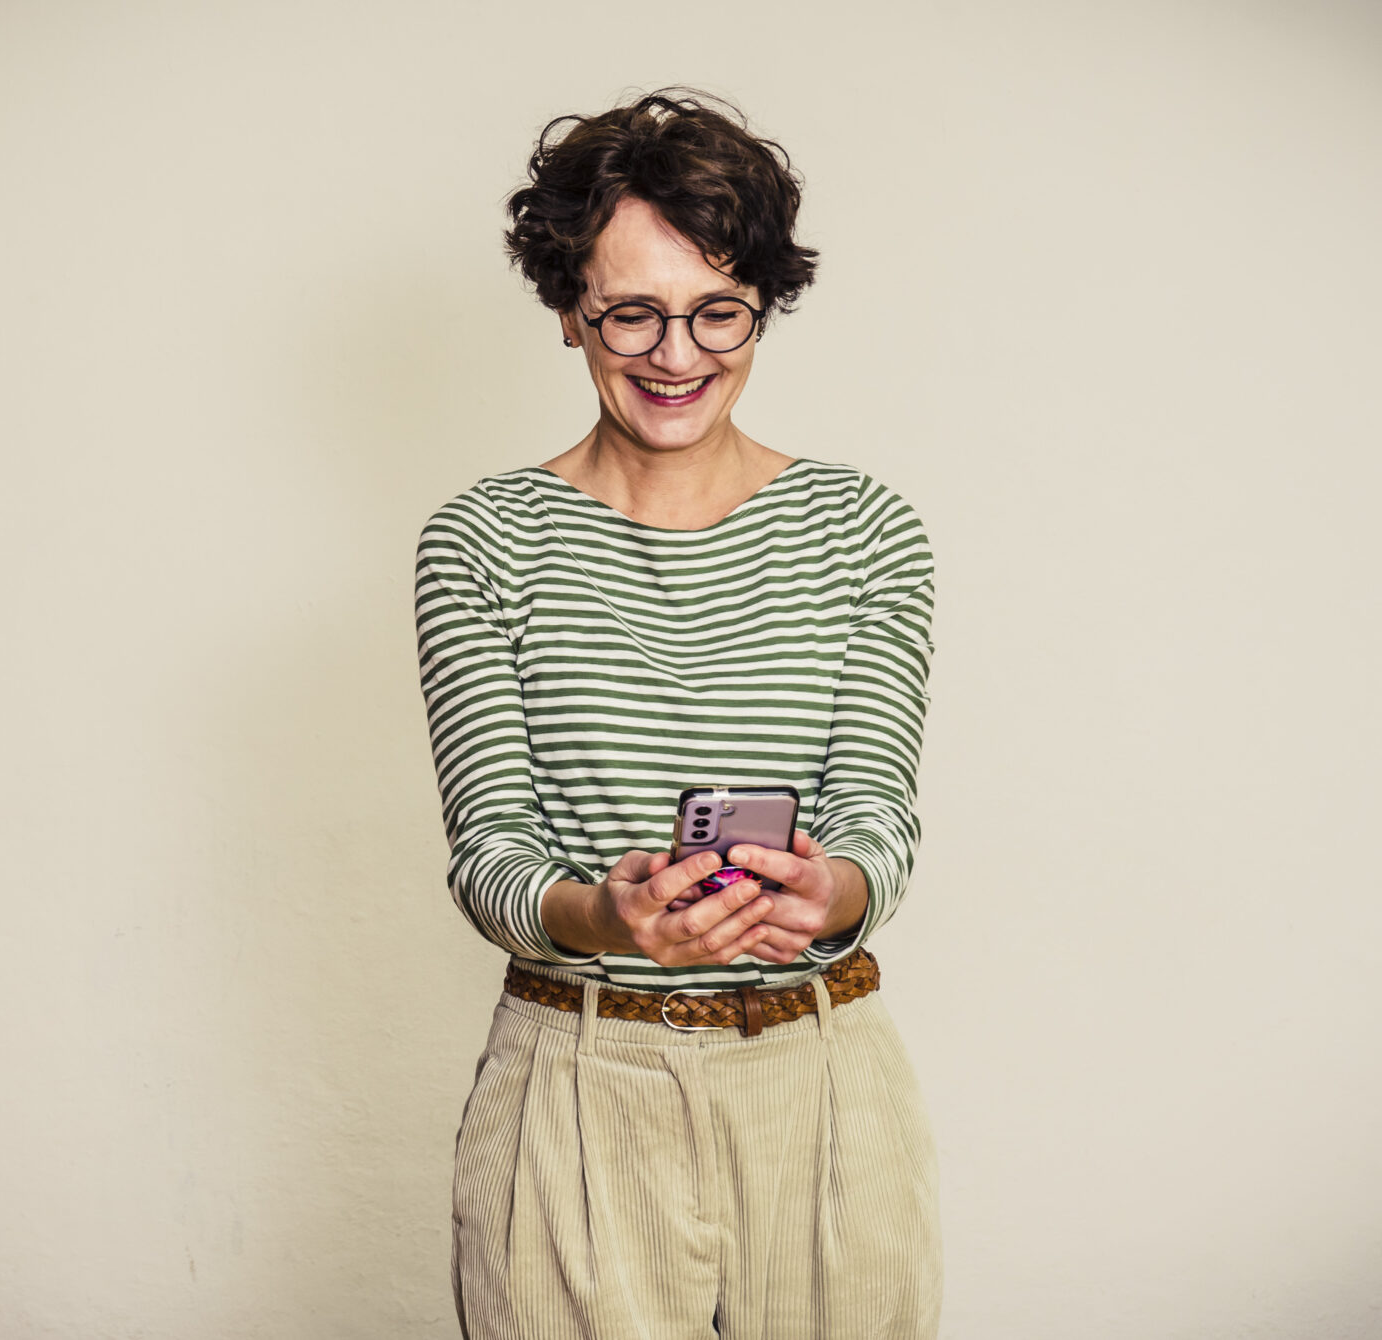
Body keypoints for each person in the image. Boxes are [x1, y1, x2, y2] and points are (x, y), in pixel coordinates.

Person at [414, 88, 942, 1340]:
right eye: (631, 312)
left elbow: (879, 811)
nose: (676, 353)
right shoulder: (483, 542)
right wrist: (609, 914)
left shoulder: (869, 531)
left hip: (820, 1078)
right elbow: (489, 853)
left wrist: (840, 890)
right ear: (566, 310)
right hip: (580, 1076)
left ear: (762, 302)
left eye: (719, 310)